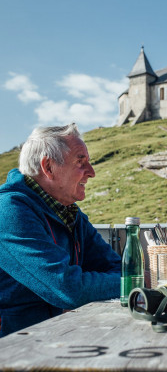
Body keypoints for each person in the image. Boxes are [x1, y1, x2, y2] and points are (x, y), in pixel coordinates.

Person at [0, 123, 121, 337]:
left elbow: (117, 267)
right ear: (48, 167)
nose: (91, 172)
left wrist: (124, 280)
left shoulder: (69, 212)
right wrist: (133, 283)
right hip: (14, 348)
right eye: (80, 162)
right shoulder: (9, 211)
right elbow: (67, 287)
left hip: (59, 335)